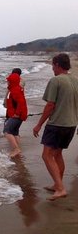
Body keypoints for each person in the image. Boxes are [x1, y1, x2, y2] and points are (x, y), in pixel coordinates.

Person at [33, 53, 78, 201]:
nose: (52, 68)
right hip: (71, 125)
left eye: (53, 65)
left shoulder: (56, 80)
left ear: (58, 64)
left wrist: (39, 125)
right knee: (57, 154)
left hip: (57, 125)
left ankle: (60, 188)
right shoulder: (75, 80)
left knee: (47, 155)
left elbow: (50, 105)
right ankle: (57, 184)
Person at [3, 72, 28, 157]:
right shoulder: (13, 89)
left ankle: (16, 149)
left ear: (12, 81)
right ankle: (17, 149)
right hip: (15, 115)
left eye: (9, 81)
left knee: (6, 131)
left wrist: (17, 114)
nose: (7, 82)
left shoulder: (15, 90)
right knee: (14, 132)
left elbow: (21, 103)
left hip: (17, 116)